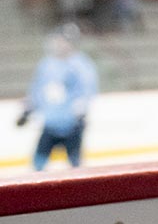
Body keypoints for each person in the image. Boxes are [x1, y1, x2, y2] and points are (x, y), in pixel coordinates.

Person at [16, 27, 98, 171]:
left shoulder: (81, 65)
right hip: (50, 123)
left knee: (75, 165)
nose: (58, 44)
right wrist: (28, 109)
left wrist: (81, 108)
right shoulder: (46, 64)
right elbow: (38, 90)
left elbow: (87, 89)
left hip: (72, 124)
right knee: (38, 163)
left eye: (62, 41)